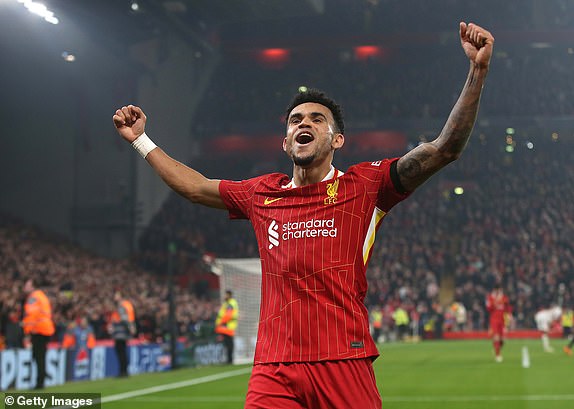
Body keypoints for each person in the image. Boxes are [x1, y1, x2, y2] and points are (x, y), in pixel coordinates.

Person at [113, 21, 494, 408]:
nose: (304, 123)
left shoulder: (365, 185)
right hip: (274, 366)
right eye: (296, 120)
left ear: (337, 139)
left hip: (343, 360)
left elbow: (444, 149)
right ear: (285, 141)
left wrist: (477, 71)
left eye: (316, 119)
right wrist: (142, 140)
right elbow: (194, 187)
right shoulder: (262, 193)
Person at [21, 278, 55, 389]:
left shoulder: (33, 298)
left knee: (38, 356)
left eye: (27, 285)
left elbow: (32, 315)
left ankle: (39, 383)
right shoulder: (42, 296)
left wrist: (26, 331)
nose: (25, 287)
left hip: (38, 330)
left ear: (32, 286)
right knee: (41, 356)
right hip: (46, 329)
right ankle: (41, 380)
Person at [109, 291, 136, 377]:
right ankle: (124, 371)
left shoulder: (121, 306)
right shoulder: (127, 305)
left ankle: (123, 371)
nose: (114, 297)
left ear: (120, 296)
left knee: (120, 352)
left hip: (120, 332)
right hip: (123, 332)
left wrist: (130, 328)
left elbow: (124, 319)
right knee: (122, 351)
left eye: (116, 295)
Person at [485, 284, 511, 362]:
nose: (498, 291)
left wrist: (509, 316)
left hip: (503, 320)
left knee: (503, 339)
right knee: (496, 337)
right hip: (494, 320)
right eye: (497, 290)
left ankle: (497, 348)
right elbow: (488, 308)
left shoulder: (504, 298)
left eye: (499, 290)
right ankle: (498, 355)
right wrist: (494, 303)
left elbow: (507, 308)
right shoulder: (490, 298)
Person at [215, 290, 239, 364]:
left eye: (226, 295)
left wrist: (221, 323)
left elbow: (228, 315)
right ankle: (228, 359)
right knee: (227, 343)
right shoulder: (227, 303)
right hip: (225, 326)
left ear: (229, 295)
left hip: (228, 326)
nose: (224, 296)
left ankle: (230, 360)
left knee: (229, 343)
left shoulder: (231, 303)